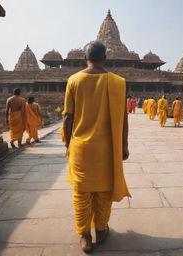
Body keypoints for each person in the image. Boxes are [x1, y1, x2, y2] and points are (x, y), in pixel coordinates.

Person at [62, 41, 130, 253]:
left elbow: (67, 117)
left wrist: (67, 143)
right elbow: (124, 118)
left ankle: (84, 236)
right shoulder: (119, 82)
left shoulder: (74, 80)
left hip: (81, 148)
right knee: (103, 191)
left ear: (85, 58)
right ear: (105, 59)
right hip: (107, 149)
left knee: (81, 192)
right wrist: (124, 145)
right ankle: (101, 229)